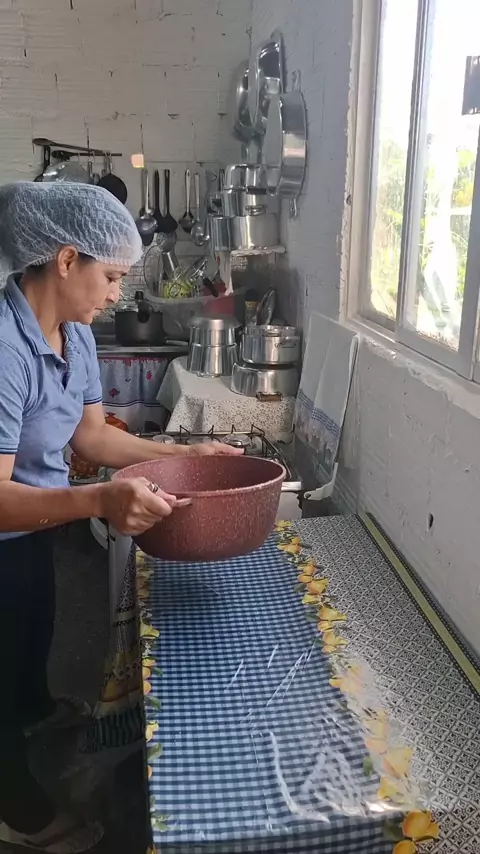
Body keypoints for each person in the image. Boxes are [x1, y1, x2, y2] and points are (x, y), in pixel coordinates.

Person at [0, 181, 241, 853]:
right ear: (66, 260)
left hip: (36, 523)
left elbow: (92, 438)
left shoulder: (75, 337)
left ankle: (33, 707)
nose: (116, 295)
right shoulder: (4, 348)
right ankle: (19, 814)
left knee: (33, 630)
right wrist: (101, 500)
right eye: (110, 277)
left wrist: (183, 452)